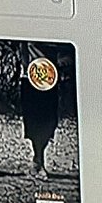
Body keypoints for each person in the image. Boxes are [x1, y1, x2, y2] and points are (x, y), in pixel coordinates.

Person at [20, 45, 63, 178]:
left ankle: (38, 158)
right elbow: (23, 48)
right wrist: (27, 69)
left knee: (49, 121)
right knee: (34, 120)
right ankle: (38, 159)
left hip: (50, 76)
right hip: (31, 77)